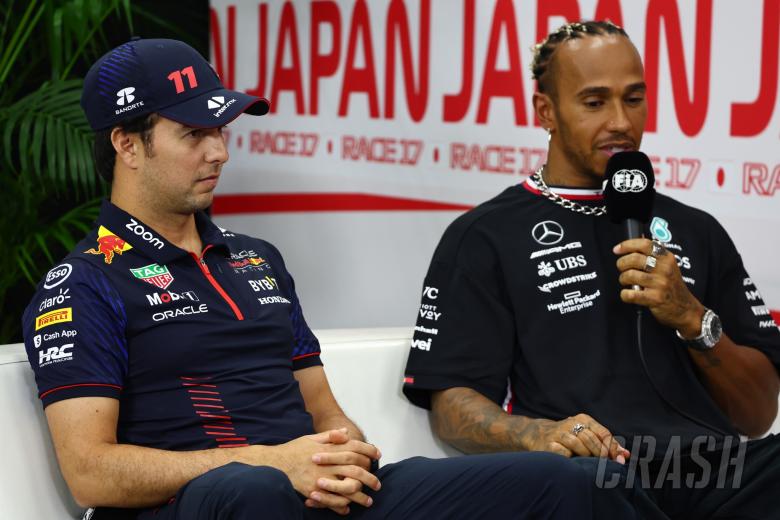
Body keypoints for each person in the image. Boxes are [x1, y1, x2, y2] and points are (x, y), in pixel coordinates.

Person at [22, 38, 598, 520]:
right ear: (127, 144)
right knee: (254, 493)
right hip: (200, 502)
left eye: (221, 130)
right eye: (194, 134)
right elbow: (90, 474)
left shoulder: (257, 259)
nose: (219, 151)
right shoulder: (84, 282)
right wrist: (274, 462)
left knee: (561, 481)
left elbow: (323, 409)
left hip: (307, 492)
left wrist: (342, 453)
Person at [403, 20, 780, 519]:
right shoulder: (485, 236)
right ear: (546, 111)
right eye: (595, 101)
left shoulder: (697, 229)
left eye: (634, 98)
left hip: (711, 471)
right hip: (593, 474)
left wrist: (693, 318)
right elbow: (452, 408)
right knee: (583, 487)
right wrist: (540, 434)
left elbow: (757, 417)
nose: (622, 122)